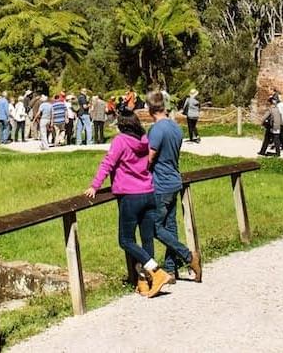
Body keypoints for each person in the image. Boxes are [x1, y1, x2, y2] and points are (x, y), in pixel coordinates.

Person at [84, 109, 171, 297]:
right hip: (148, 192)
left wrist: (94, 186)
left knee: (126, 240)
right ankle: (144, 281)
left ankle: (156, 272)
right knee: (147, 239)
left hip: (130, 196)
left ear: (121, 124)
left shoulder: (120, 141)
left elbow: (107, 163)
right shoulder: (144, 139)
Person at [145, 92, 201, 282]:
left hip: (160, 183)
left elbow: (149, 157)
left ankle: (188, 256)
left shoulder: (157, 130)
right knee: (170, 226)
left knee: (154, 228)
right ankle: (171, 269)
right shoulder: (176, 128)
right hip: (174, 180)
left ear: (150, 108)